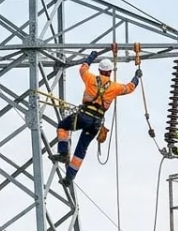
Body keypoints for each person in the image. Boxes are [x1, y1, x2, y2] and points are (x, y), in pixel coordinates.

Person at [52, 50, 141, 186]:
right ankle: (69, 178)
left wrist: (92, 56)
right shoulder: (114, 87)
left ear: (99, 70)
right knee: (81, 149)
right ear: (110, 72)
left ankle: (63, 153)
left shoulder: (90, 78)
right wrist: (136, 77)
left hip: (83, 116)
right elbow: (129, 88)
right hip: (95, 124)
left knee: (63, 126)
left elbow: (83, 68)